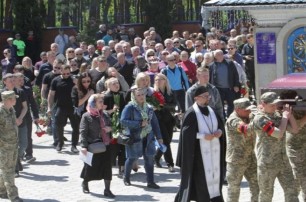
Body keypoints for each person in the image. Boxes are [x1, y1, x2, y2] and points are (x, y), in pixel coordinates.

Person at [175, 86, 225, 202]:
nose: (208, 98)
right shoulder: (192, 113)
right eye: (205, 96)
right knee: (202, 181)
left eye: (209, 96)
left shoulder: (212, 111)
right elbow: (186, 135)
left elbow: (220, 126)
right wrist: (202, 136)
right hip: (198, 155)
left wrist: (220, 132)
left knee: (215, 179)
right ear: (196, 98)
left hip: (214, 153)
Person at [252, 92, 299, 202]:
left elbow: (295, 130)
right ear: (263, 104)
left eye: (276, 105)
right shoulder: (260, 119)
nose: (274, 107)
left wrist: (289, 115)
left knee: (292, 191)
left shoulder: (278, 116)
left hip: (282, 161)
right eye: (271, 105)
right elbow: (279, 134)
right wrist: (284, 117)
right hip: (267, 163)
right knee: (266, 195)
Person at [120, 88, 163, 189]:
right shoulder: (129, 107)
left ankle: (150, 181)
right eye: (138, 95)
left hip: (149, 137)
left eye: (143, 94)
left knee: (149, 159)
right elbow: (123, 121)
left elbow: (155, 123)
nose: (141, 97)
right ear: (134, 96)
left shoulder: (149, 107)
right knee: (132, 158)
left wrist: (159, 137)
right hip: (135, 137)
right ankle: (126, 177)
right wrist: (139, 124)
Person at [80, 93, 115, 198]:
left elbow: (112, 125)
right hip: (92, 146)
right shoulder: (86, 116)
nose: (102, 104)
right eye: (99, 102)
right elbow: (83, 131)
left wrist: (110, 129)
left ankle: (107, 189)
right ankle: (85, 183)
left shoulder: (104, 114)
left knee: (107, 167)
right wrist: (84, 146)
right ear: (93, 103)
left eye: (102, 101)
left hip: (105, 144)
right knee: (89, 167)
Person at [225, 98, 259, 202]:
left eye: (250, 110)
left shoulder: (247, 117)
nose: (249, 112)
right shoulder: (233, 120)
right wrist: (256, 117)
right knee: (234, 191)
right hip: (236, 161)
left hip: (250, 158)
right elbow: (247, 130)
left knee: (257, 186)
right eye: (246, 110)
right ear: (238, 109)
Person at [47, 65, 79, 153]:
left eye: (68, 73)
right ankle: (60, 143)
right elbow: (51, 95)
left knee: (75, 127)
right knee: (59, 126)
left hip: (73, 107)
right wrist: (49, 107)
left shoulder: (73, 79)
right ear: (60, 71)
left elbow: (81, 91)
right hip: (60, 106)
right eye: (64, 73)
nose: (66, 75)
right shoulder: (55, 80)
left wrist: (77, 83)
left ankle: (74, 145)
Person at [0, 91, 24, 202]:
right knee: (9, 171)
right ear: (8, 100)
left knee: (5, 169)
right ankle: (13, 196)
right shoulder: (0, 112)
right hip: (4, 147)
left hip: (13, 145)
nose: (16, 100)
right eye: (14, 98)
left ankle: (2, 191)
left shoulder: (11, 110)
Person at [153, 73, 176, 172]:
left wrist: (163, 105)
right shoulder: (153, 93)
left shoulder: (170, 92)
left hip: (169, 119)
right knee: (166, 141)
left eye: (160, 79)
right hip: (159, 120)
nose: (158, 81)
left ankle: (156, 157)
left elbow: (174, 105)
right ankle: (170, 164)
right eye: (156, 80)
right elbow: (153, 107)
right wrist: (163, 106)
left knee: (168, 141)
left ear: (165, 80)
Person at [103, 78, 126, 177]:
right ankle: (111, 165)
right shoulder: (106, 97)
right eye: (113, 83)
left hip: (122, 123)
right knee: (113, 146)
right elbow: (102, 112)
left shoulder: (121, 94)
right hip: (111, 124)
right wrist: (112, 110)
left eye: (117, 83)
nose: (116, 85)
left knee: (123, 145)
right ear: (108, 86)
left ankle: (122, 167)